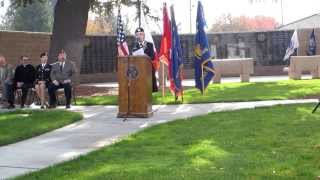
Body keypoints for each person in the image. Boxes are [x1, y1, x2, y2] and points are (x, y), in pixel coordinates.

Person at [132, 27, 158, 92]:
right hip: (138, 69)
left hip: (148, 68)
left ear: (144, 35)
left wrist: (145, 56)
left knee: (149, 87)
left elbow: (152, 56)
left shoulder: (149, 45)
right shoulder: (134, 46)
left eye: (140, 34)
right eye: (137, 34)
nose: (139, 36)